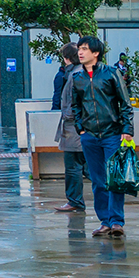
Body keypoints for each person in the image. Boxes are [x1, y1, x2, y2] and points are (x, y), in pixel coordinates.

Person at [71, 35, 135, 239]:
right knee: (98, 180)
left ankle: (117, 221)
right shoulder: (77, 78)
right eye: (79, 49)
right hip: (89, 136)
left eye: (85, 49)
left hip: (112, 134)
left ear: (96, 53)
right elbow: (75, 106)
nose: (80, 52)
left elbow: (125, 103)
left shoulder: (111, 73)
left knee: (114, 178)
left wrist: (127, 129)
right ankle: (105, 222)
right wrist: (80, 128)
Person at [50, 41, 87, 214]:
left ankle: (75, 201)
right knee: (84, 165)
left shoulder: (75, 75)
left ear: (67, 58)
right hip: (77, 127)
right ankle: (76, 200)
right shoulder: (79, 72)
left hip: (74, 128)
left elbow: (74, 102)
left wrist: (70, 118)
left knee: (73, 166)